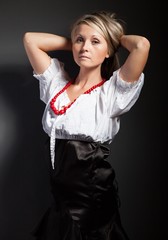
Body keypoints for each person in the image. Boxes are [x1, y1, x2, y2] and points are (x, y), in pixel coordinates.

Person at [23, 10, 150, 240]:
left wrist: (112, 37)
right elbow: (30, 39)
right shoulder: (56, 85)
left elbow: (141, 45)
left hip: (91, 194)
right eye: (80, 40)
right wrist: (74, 42)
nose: (84, 48)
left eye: (95, 42)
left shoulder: (111, 93)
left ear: (108, 50)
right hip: (61, 196)